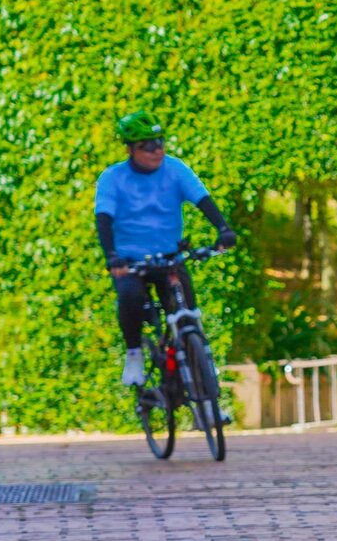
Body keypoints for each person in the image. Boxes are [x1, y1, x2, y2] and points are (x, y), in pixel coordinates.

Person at [95, 111, 236, 386]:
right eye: (148, 145)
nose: (157, 149)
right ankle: (134, 352)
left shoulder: (175, 169)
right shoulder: (113, 178)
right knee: (130, 297)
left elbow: (202, 199)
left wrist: (223, 229)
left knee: (189, 315)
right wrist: (112, 256)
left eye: (160, 141)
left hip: (168, 257)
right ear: (131, 149)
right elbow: (104, 218)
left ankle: (205, 393)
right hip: (131, 261)